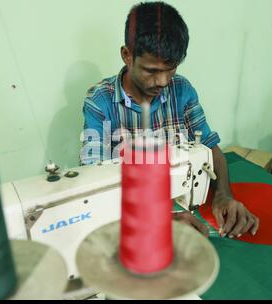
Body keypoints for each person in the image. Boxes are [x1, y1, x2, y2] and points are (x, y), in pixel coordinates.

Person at [80, 1, 259, 238]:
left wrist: (224, 194)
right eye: (152, 71)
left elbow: (210, 147)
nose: (164, 81)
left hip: (177, 203)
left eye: (171, 68)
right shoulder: (100, 102)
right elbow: (93, 183)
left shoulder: (182, 90)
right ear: (127, 55)